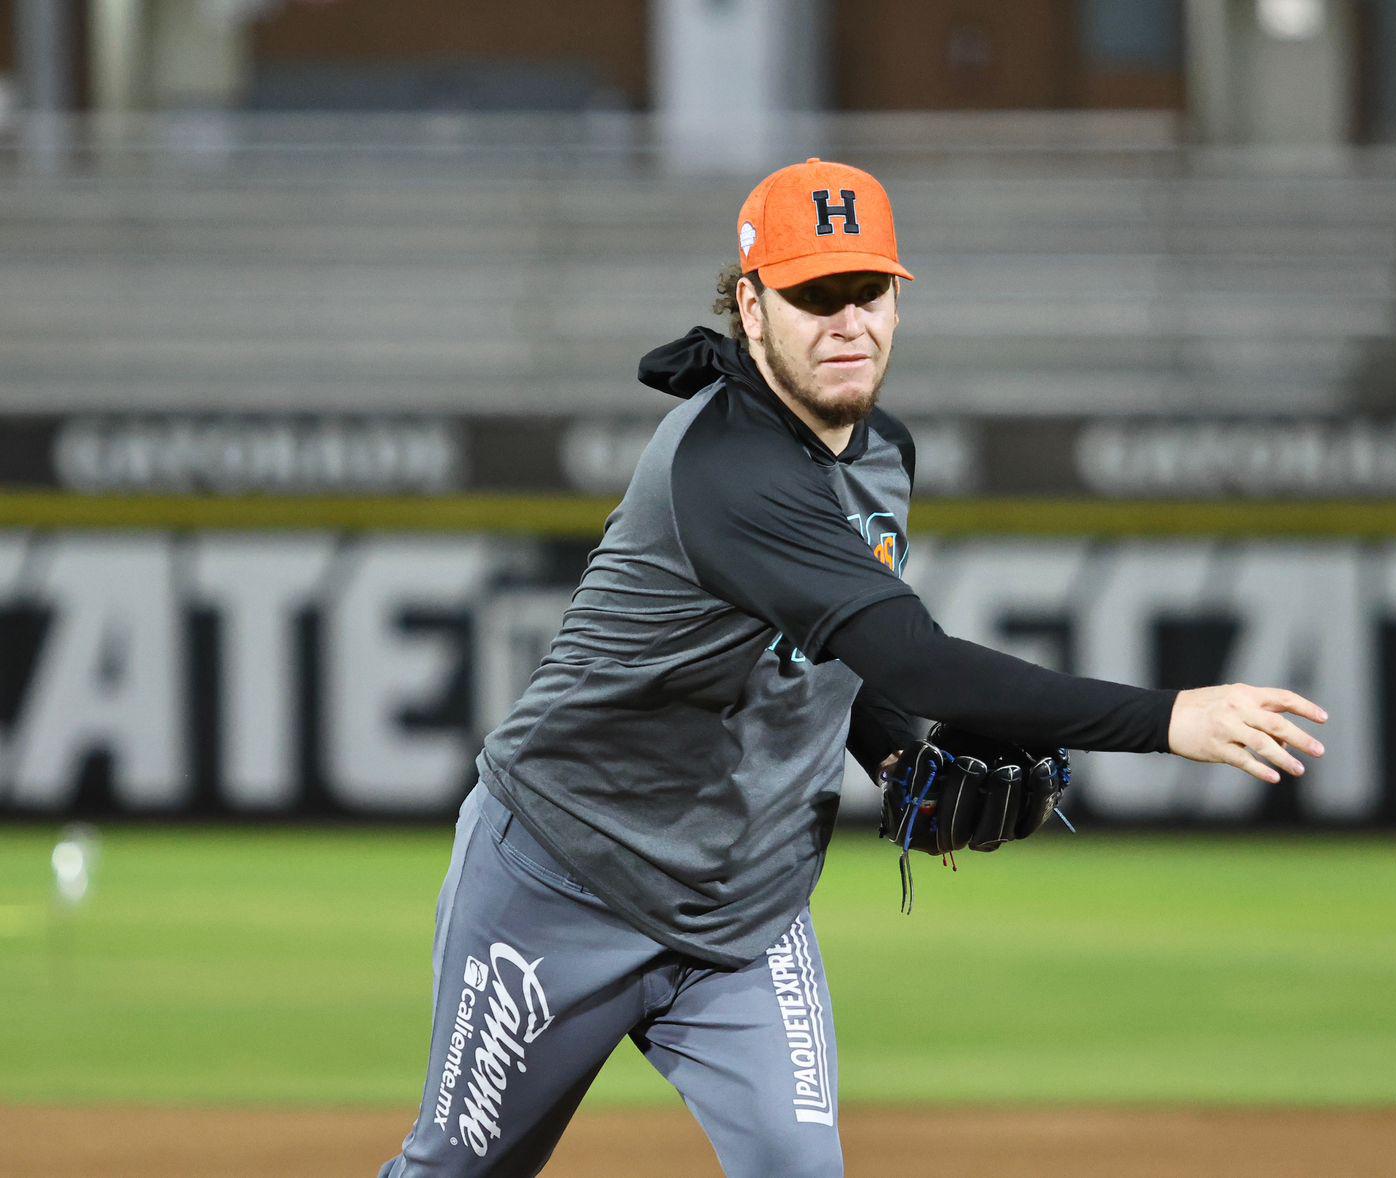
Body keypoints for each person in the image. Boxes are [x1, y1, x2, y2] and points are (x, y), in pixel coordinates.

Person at [378, 157, 1326, 1177]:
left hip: (746, 906)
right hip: (563, 878)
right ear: (752, 309)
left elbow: (834, 651)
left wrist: (886, 751)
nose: (848, 323)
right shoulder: (725, 467)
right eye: (814, 296)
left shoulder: (882, 454)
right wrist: (1170, 717)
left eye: (868, 291)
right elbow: (913, 659)